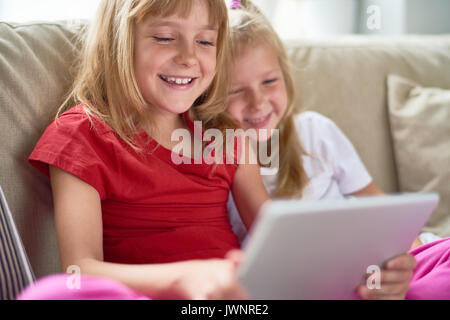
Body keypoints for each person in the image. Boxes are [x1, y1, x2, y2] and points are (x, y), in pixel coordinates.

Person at [22, 0, 270, 300]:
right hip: (141, 296)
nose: (189, 57)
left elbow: (275, 236)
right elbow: (77, 272)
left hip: (228, 302)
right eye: (165, 37)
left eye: (204, 41)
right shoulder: (80, 135)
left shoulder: (224, 135)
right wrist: (183, 278)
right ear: (119, 44)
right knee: (51, 294)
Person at [225, 0, 450, 300]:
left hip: (381, 268)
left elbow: (379, 208)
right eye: (236, 91)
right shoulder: (216, 161)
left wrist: (404, 258)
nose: (257, 102)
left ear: (286, 77)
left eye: (269, 81)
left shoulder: (315, 131)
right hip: (315, 287)